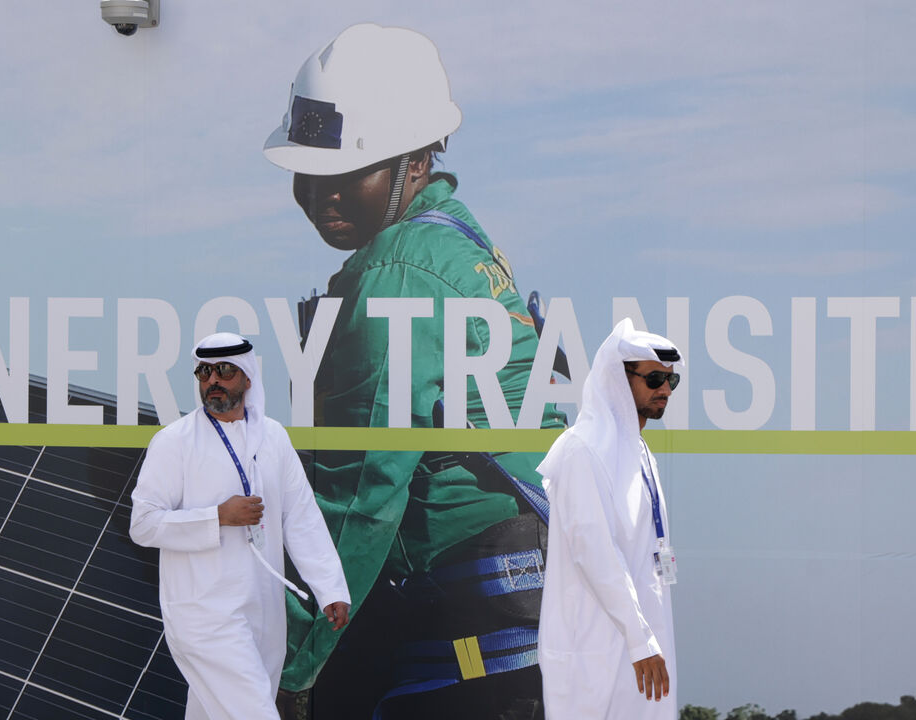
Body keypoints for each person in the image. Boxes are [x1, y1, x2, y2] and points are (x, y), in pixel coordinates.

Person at [263, 23, 565, 719]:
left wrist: (289, 665)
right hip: (515, 633)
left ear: (418, 162)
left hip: (476, 651)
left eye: (348, 172)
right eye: (307, 172)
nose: (321, 193)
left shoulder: (399, 274)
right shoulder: (460, 244)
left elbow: (363, 488)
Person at [129, 332, 351, 720]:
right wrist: (217, 516)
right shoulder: (173, 442)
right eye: (204, 372)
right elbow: (143, 525)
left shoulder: (274, 438)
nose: (212, 380)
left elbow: (301, 516)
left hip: (263, 611)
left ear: (247, 377)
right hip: (204, 614)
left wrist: (329, 586)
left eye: (224, 371)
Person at [536, 319, 682, 719]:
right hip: (593, 651)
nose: (665, 391)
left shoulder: (641, 454)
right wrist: (640, 640)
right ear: (619, 377)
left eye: (672, 381)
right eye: (654, 379)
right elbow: (596, 553)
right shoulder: (583, 450)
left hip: (644, 647)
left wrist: (646, 640)